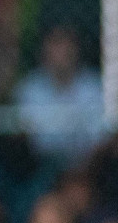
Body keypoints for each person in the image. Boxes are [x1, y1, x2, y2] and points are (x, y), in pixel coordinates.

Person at [15, 24, 107, 168]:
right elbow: (29, 138)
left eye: (68, 43)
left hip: (89, 166)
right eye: (56, 43)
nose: (63, 50)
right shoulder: (30, 88)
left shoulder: (94, 86)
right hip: (41, 165)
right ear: (44, 48)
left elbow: (101, 138)